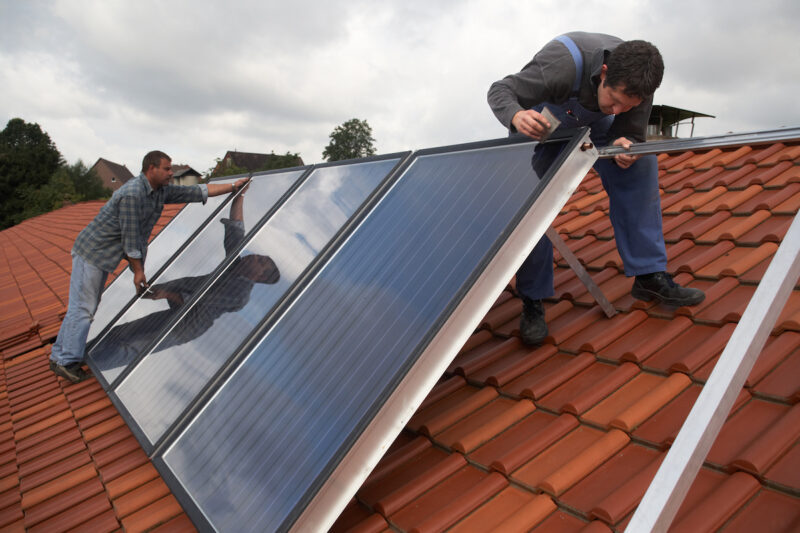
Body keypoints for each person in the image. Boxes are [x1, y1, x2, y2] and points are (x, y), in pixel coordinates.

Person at [487, 31, 705, 346]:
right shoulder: (561, 66)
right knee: (529, 202)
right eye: (614, 100)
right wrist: (517, 115)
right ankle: (532, 300)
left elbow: (628, 131)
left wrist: (626, 143)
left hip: (590, 128)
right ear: (604, 74)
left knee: (641, 163)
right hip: (539, 126)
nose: (617, 109)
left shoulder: (641, 83)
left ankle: (649, 276)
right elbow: (501, 90)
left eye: (627, 105)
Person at [49, 150, 250, 383]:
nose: (171, 173)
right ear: (150, 168)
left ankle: (60, 355)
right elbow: (131, 241)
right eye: (166, 169)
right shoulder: (133, 194)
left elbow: (196, 191)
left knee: (82, 306)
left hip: (102, 256)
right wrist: (138, 272)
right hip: (92, 254)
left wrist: (233, 187)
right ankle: (65, 361)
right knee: (84, 308)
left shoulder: (158, 192)